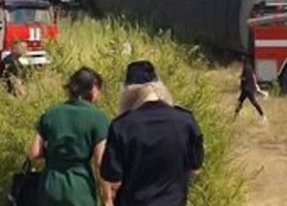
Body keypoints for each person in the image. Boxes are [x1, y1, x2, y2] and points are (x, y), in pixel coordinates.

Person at [100, 60, 204, 206]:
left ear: (128, 92)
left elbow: (112, 177)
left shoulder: (122, 126)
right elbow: (195, 168)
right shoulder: (185, 121)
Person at [27, 67, 112, 206]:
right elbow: (100, 163)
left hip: (50, 185)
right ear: (94, 87)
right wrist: (107, 197)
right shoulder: (97, 117)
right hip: (79, 187)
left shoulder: (51, 113)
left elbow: (34, 153)